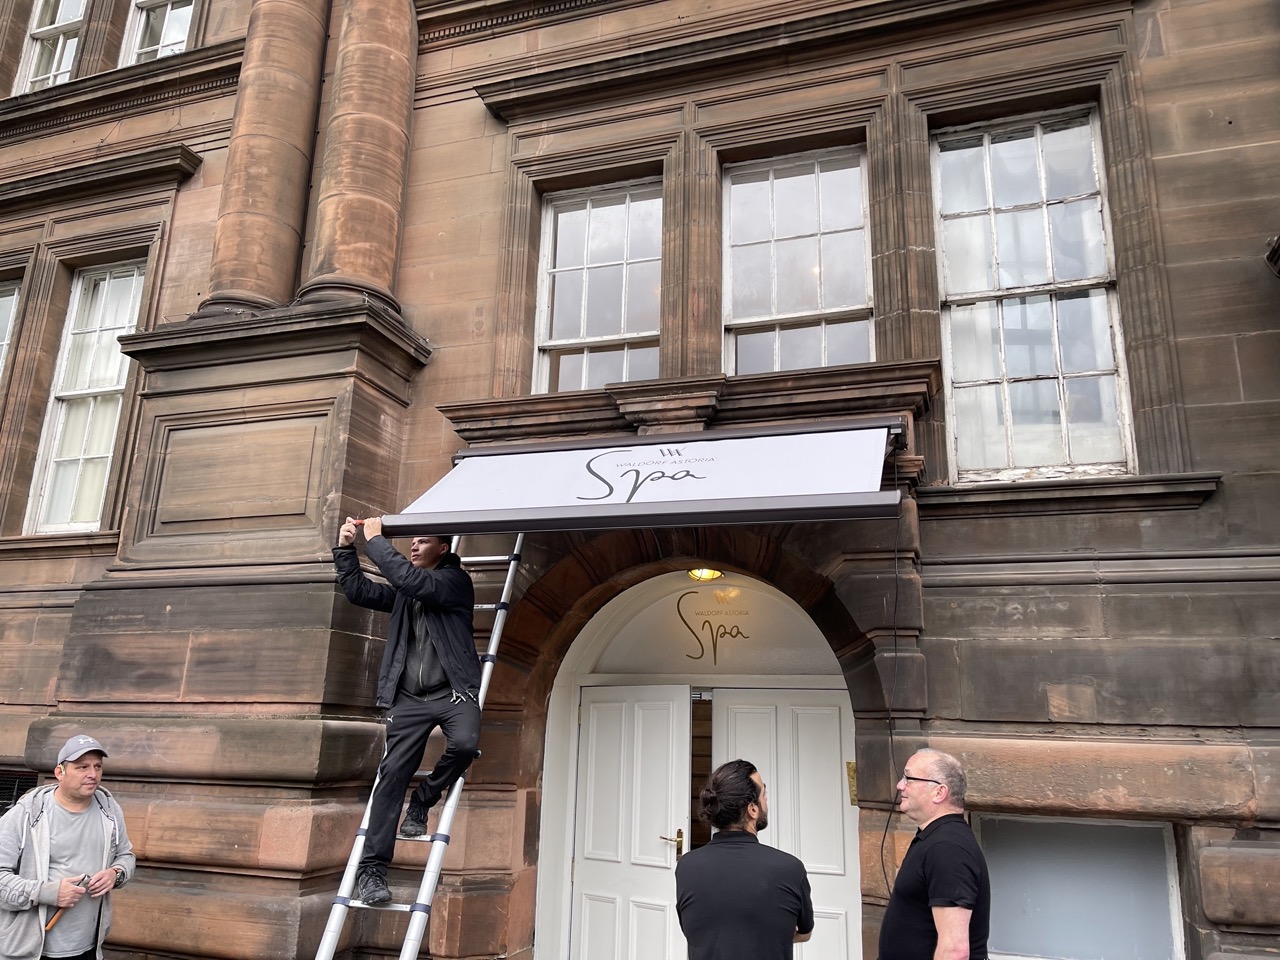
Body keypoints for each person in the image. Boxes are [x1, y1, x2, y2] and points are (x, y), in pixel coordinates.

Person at [333, 516, 480, 906]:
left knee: (465, 745)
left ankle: (423, 800)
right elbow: (358, 590)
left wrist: (376, 540)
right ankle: (372, 872)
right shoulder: (406, 590)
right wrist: (346, 549)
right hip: (408, 699)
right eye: (412, 541)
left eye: (423, 541)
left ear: (443, 549)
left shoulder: (454, 582)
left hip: (453, 692)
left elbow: (412, 582)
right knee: (391, 777)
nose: (414, 546)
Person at [0, 734, 135, 960]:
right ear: (59, 773)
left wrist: (116, 873)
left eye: (97, 766)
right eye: (82, 767)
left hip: (88, 946)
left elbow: (126, 856)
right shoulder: (26, 814)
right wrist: (49, 893)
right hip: (32, 950)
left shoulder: (109, 810)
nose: (92, 774)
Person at [675, 759, 814, 960]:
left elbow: (696, 932)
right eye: (763, 793)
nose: (766, 799)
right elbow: (805, 932)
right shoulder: (790, 868)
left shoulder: (687, 867)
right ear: (752, 809)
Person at [879, 748, 991, 960]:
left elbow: (954, 951)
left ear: (939, 792)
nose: (900, 785)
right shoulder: (935, 838)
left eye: (908, 778)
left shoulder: (948, 847)